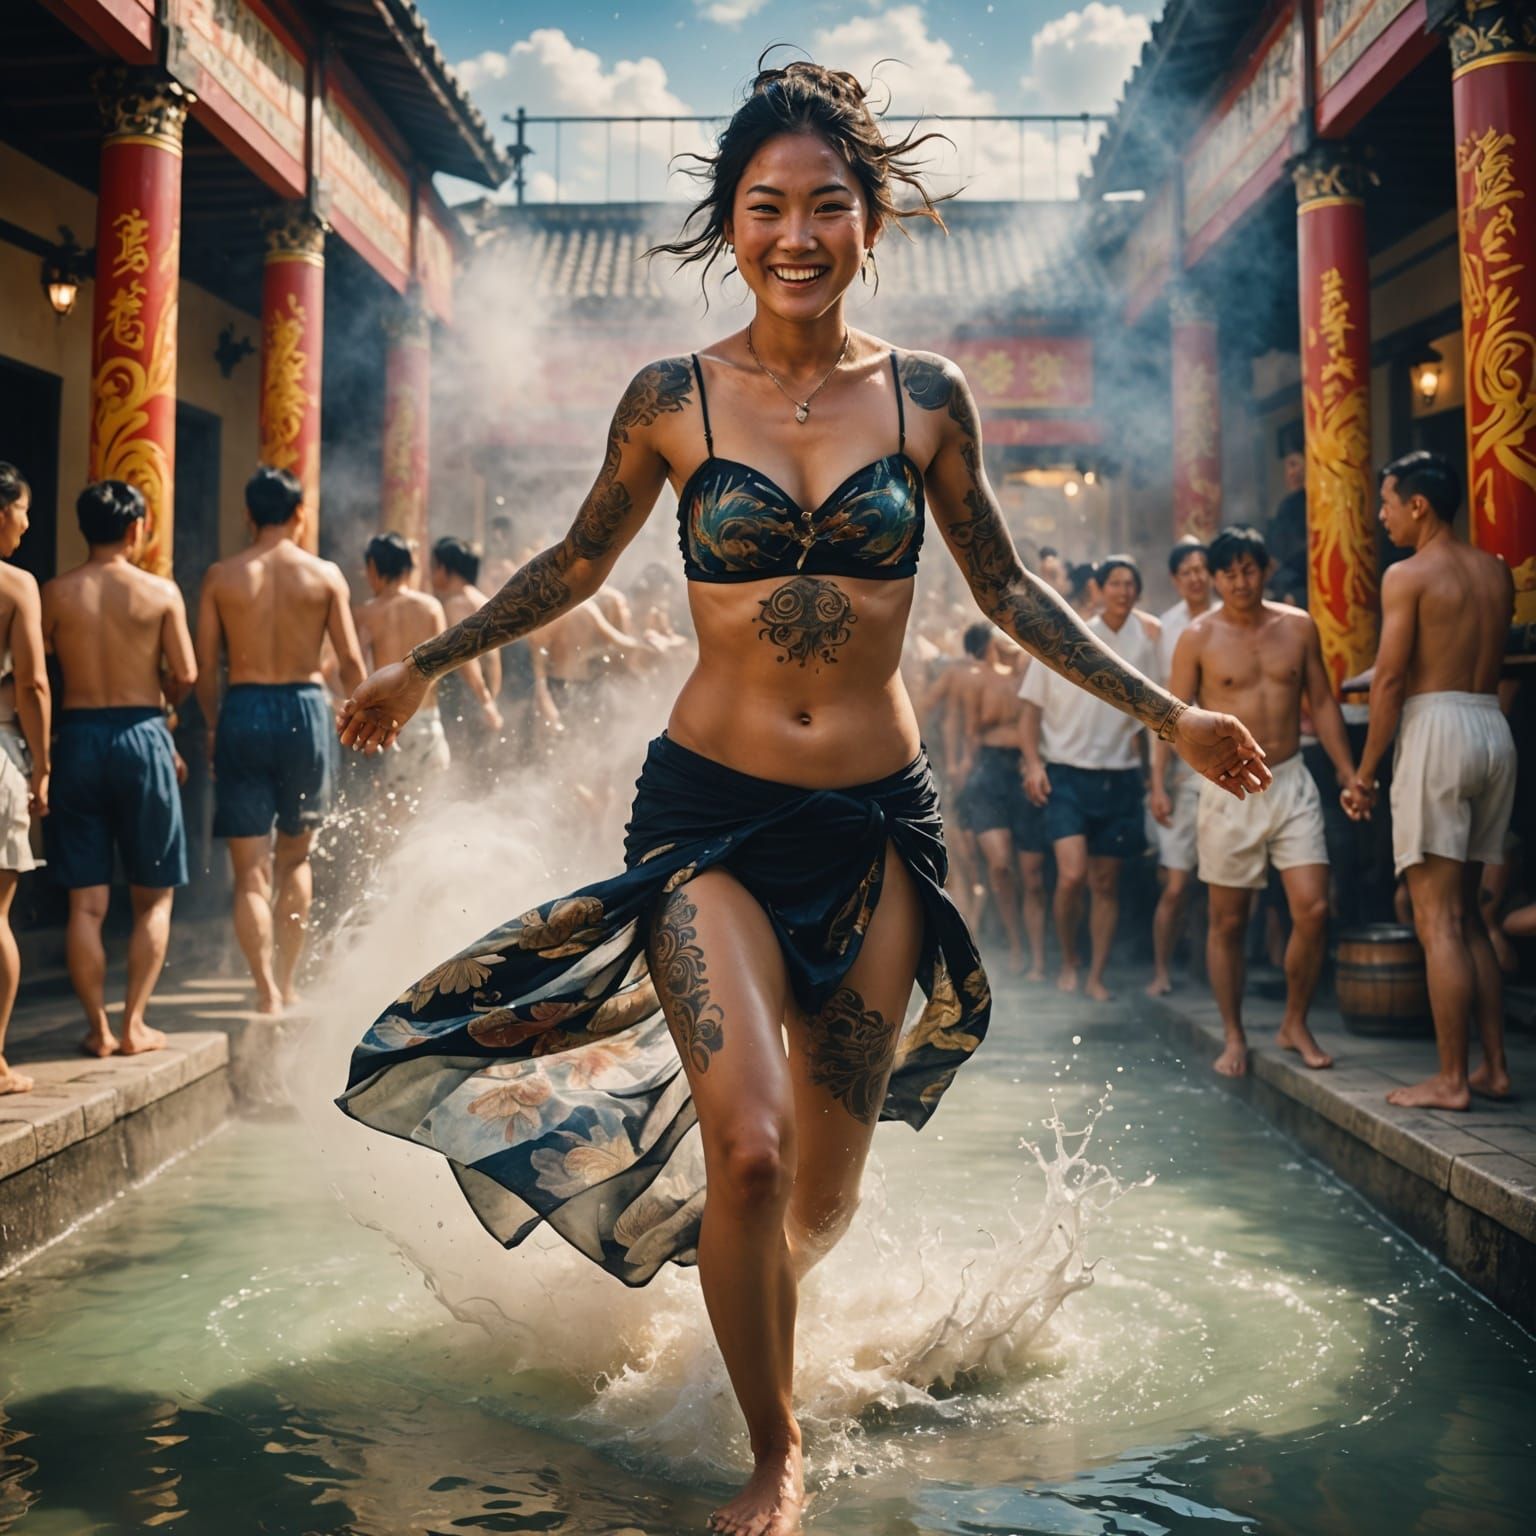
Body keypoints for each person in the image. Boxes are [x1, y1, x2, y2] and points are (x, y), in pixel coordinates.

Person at [332, 60, 1268, 1536]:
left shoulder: (930, 398)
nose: (795, 232)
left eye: (825, 204)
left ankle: (746, 1307)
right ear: (731, 221)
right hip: (704, 818)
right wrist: (425, 668)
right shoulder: (671, 398)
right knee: (750, 1154)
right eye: (765, 206)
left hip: (875, 828)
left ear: (869, 219)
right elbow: (574, 565)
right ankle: (775, 1451)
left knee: (815, 1199)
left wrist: (1172, 712)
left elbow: (1011, 590)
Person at [1350, 451, 1516, 1110]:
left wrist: (1365, 773)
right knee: (1470, 917)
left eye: (1387, 501)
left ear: (1418, 504)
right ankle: (1494, 1068)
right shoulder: (1494, 572)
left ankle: (1451, 1079)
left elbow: (1391, 679)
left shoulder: (1408, 575)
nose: (1381, 514)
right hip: (1490, 727)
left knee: (1438, 921)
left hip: (1437, 729)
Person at [1170, 526, 1356, 1078]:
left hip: (1291, 777)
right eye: (1228, 571)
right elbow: (1173, 720)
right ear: (1215, 575)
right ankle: (1233, 1034)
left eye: (1249, 568)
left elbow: (1321, 701)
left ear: (1266, 569)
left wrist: (1348, 772)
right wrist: (1180, 778)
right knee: (1228, 922)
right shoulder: (1198, 637)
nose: (1239, 580)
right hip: (1228, 787)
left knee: (1314, 909)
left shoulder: (1297, 627)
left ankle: (1295, 1021)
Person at [195, 466, 367, 1013]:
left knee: (249, 869)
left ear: (248, 514)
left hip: (243, 707)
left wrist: (214, 722)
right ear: (299, 513)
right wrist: (364, 716)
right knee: (295, 861)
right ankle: (288, 985)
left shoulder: (222, 576)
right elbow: (350, 661)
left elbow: (203, 669)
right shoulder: (324, 576)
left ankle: (264, 990)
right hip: (304, 709)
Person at [42, 480, 195, 1058]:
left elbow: (41, 668)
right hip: (142, 734)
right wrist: (163, 707)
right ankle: (134, 1024)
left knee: (86, 902)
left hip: (77, 736)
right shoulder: (159, 592)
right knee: (152, 897)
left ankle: (97, 1030)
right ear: (136, 529)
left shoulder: (55, 594)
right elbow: (187, 671)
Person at [1021, 555, 1159, 1000]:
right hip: (1067, 774)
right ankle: (1067, 957)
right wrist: (1034, 764)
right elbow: (1030, 712)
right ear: (1098, 589)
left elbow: (1155, 721)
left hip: (1119, 775)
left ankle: (1096, 974)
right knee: (1072, 875)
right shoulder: (1067, 638)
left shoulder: (1145, 643)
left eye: (1129, 583)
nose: (1123, 590)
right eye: (1114, 582)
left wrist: (1155, 782)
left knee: (1106, 882)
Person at [950, 623, 1046, 977]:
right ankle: (1015, 944)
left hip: (1024, 770)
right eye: (1000, 635)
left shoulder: (1034, 673)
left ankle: (1036, 956)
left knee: (1032, 876)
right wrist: (963, 773)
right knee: (1001, 865)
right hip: (988, 772)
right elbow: (970, 732)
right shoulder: (979, 679)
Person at [1147, 537, 1220, 996]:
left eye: (1202, 569)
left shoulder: (1227, 616)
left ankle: (1211, 971)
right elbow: (1160, 708)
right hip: (1178, 763)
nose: (1196, 577)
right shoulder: (1166, 628)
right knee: (1176, 884)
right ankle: (1161, 969)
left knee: (1218, 883)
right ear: (1176, 579)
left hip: (1221, 765)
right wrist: (1157, 781)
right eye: (1187, 571)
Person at [0, 464, 49, 1094]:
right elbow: (33, 684)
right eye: (22, 509)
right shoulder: (15, 585)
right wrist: (42, 766)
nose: (27, 522)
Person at [353, 533, 451, 815]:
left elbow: (349, 665)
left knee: (393, 819)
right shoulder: (431, 607)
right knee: (431, 814)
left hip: (391, 725)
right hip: (428, 722)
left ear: (374, 568)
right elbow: (445, 662)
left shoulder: (369, 614)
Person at [428, 536, 504, 770]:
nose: (431, 575)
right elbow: (493, 661)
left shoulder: (456, 604)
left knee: (461, 765)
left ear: (444, 568)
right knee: (477, 767)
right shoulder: (482, 600)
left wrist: (483, 701)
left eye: (433, 567)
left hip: (464, 696)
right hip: (480, 694)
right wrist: (491, 697)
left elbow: (464, 657)